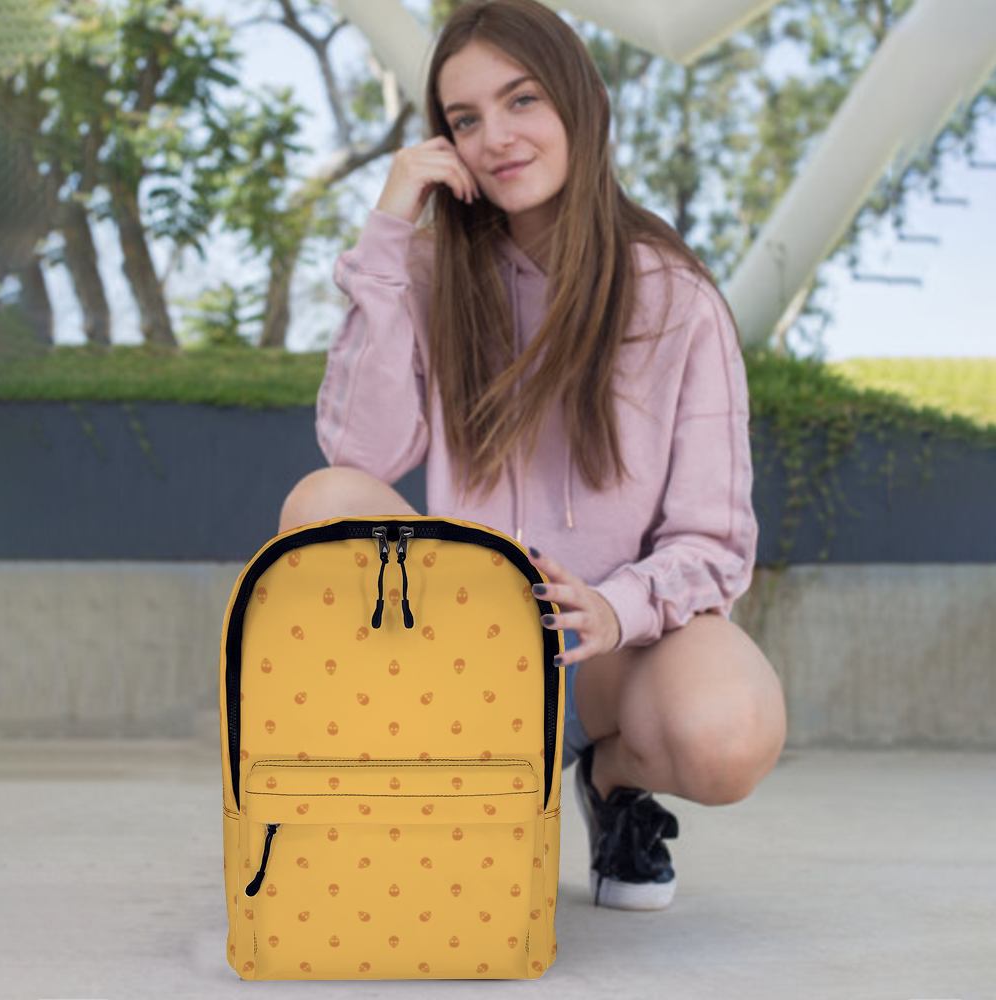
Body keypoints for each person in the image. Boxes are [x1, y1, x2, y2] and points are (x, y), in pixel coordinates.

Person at [279, 0, 787, 912]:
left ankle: (609, 784)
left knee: (728, 731)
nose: (495, 138)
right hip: (455, 645)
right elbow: (361, 450)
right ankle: (447, 788)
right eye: (464, 120)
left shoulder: (675, 297)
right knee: (323, 500)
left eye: (521, 101)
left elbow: (714, 542)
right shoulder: (430, 274)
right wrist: (391, 229)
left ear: (580, 103)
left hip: (605, 654)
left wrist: (613, 606)